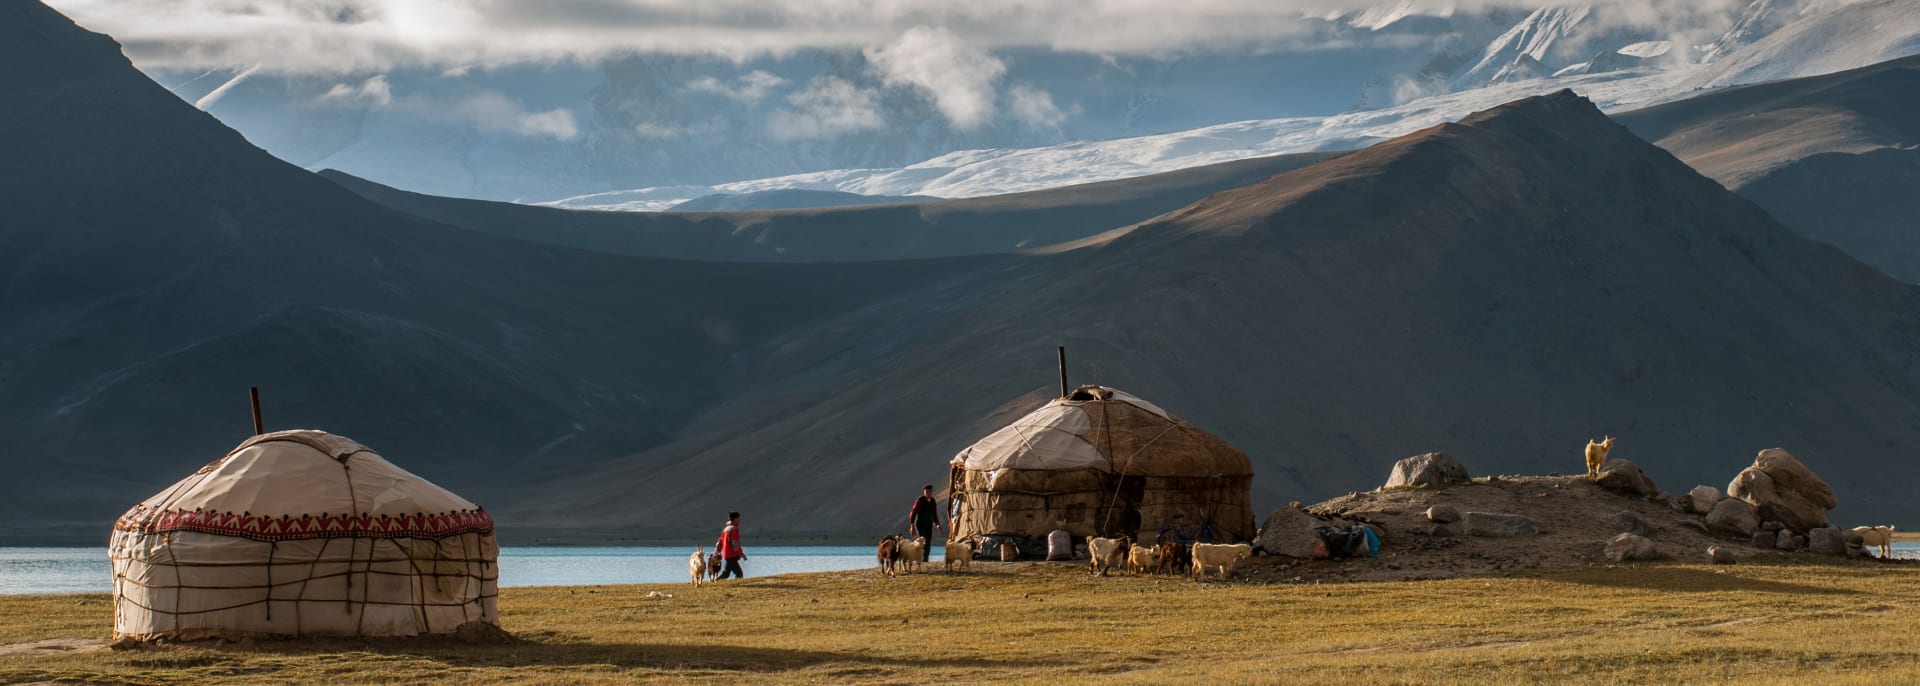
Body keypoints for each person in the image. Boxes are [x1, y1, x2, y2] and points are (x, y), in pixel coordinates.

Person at [907, 485, 942, 559]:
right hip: (920, 523)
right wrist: (912, 525)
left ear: (931, 492)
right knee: (922, 540)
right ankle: (919, 557)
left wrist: (937, 524)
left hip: (929, 524)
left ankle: (925, 559)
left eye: (929, 491)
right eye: (926, 491)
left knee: (928, 541)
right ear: (924, 492)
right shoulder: (920, 500)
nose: (928, 493)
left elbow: (934, 514)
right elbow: (913, 512)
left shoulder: (932, 501)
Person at [715, 511, 746, 580]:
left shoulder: (726, 529)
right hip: (732, 554)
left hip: (726, 554)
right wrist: (741, 553)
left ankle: (715, 581)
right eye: (739, 518)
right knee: (739, 573)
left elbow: (720, 541)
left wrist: (717, 551)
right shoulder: (734, 529)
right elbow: (735, 543)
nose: (740, 520)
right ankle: (739, 586)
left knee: (726, 573)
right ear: (735, 519)